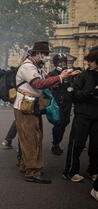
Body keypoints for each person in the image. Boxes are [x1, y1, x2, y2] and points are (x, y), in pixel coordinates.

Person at [13, 41, 79, 184]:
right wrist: (61, 77)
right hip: (26, 106)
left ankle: (27, 166)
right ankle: (32, 171)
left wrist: (63, 76)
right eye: (45, 54)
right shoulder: (28, 67)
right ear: (37, 54)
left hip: (31, 105)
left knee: (35, 136)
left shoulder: (35, 67)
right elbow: (38, 84)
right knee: (31, 138)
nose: (46, 58)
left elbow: (46, 82)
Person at [63, 48, 98, 183]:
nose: (88, 63)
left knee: (96, 146)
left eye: (91, 61)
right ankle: (70, 171)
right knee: (77, 144)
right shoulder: (82, 76)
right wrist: (90, 92)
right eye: (88, 61)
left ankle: (93, 170)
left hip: (96, 116)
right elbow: (75, 95)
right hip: (82, 115)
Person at [48, 54, 73, 155]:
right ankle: (55, 144)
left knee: (65, 123)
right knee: (58, 124)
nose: (63, 64)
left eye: (64, 61)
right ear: (56, 63)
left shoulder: (69, 73)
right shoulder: (52, 74)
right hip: (57, 103)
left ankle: (57, 142)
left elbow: (71, 85)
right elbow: (50, 88)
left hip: (67, 103)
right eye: (61, 62)